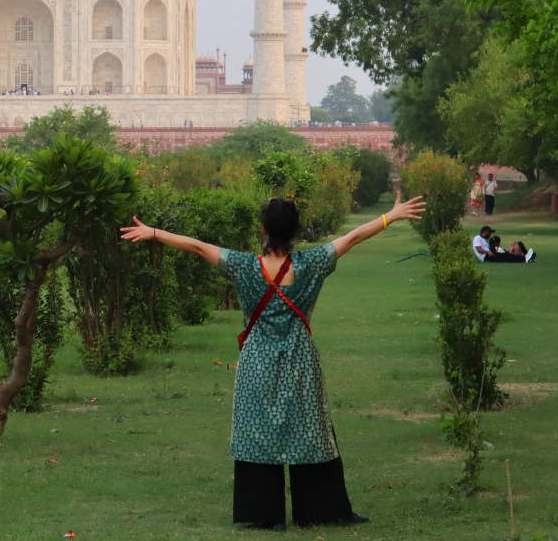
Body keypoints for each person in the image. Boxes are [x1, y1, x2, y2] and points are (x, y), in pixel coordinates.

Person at [120, 191, 427, 531]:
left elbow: (197, 246)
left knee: (257, 431)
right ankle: (321, 510)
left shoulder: (243, 267)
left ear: (263, 231)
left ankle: (264, 514)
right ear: (295, 232)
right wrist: (391, 215)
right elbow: (353, 237)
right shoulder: (312, 264)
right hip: (300, 359)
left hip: (257, 361)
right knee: (311, 430)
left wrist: (155, 233)